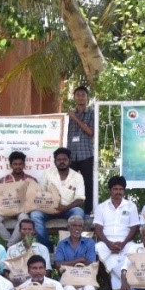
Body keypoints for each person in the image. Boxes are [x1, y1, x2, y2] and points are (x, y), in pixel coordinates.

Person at [93, 175, 140, 290]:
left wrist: (123, 244)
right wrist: (109, 244)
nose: (118, 192)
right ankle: (110, 282)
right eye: (115, 189)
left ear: (124, 190)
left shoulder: (131, 206)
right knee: (96, 249)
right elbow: (98, 229)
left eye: (120, 189)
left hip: (126, 242)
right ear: (110, 190)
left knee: (136, 249)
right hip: (106, 242)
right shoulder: (101, 207)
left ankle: (121, 283)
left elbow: (134, 227)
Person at [30, 147, 85, 244]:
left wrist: (65, 208)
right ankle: (47, 248)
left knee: (79, 212)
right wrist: (50, 207)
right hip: (48, 209)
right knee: (35, 215)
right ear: (55, 162)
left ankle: (70, 246)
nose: (62, 162)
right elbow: (40, 193)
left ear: (70, 161)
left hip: (68, 209)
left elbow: (80, 199)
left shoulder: (77, 176)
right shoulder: (48, 173)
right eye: (59, 160)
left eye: (64, 159)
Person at [65, 85, 96, 213]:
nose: (81, 97)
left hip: (86, 154)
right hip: (71, 155)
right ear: (74, 98)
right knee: (68, 185)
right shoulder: (68, 115)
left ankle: (88, 212)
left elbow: (90, 131)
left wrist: (75, 118)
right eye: (78, 95)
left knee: (88, 184)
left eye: (83, 95)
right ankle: (68, 210)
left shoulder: (92, 113)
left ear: (87, 98)